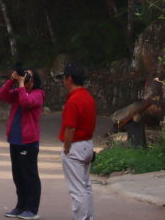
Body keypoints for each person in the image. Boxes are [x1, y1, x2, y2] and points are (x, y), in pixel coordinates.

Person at [0, 66, 45, 219]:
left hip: (28, 142)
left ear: (34, 81)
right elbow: (2, 95)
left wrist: (22, 85)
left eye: (27, 76)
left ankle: (32, 209)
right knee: (18, 176)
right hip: (15, 140)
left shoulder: (38, 94)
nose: (24, 78)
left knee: (29, 176)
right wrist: (12, 80)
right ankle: (21, 206)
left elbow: (25, 102)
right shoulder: (19, 91)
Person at [60, 62, 97, 220]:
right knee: (85, 186)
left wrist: (66, 149)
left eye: (64, 78)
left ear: (69, 78)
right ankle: (88, 217)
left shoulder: (73, 100)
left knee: (77, 190)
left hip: (75, 146)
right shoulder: (87, 96)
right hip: (87, 144)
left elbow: (70, 128)